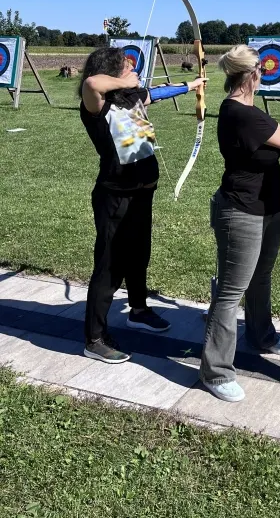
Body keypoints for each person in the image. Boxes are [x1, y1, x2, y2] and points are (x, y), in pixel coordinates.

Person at [200, 45, 280, 402]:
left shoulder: (249, 111)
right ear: (251, 75)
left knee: (261, 276)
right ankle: (216, 372)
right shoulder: (241, 113)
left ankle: (261, 335)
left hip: (268, 207)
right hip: (241, 211)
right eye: (261, 71)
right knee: (231, 291)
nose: (263, 76)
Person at [79, 47, 205, 363]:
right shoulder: (96, 105)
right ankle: (94, 338)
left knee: (138, 255)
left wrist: (190, 86)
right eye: (125, 67)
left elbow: (158, 93)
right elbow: (92, 83)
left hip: (142, 192)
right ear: (110, 72)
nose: (133, 70)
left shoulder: (131, 97)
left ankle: (138, 310)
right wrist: (124, 80)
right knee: (109, 266)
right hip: (114, 196)